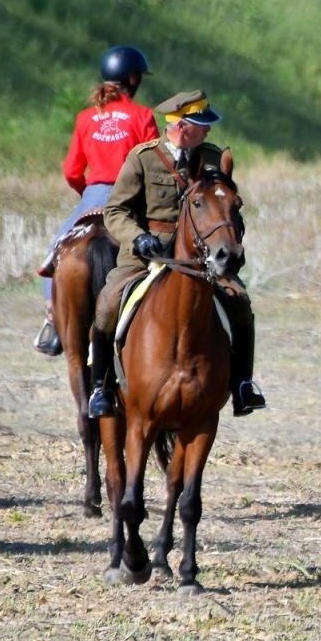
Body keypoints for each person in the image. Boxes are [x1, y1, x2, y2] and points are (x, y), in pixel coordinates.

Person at [86, 91, 267, 419]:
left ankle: (243, 384)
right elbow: (115, 211)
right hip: (146, 257)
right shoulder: (143, 158)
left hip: (200, 260)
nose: (208, 132)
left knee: (239, 301)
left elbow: (226, 207)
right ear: (182, 127)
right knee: (108, 302)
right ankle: (102, 387)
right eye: (201, 126)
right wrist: (138, 239)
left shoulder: (212, 159)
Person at [33, 46, 159, 355]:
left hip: (93, 195)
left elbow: (71, 170)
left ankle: (53, 321)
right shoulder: (142, 116)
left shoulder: (87, 117)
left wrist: (88, 196)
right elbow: (152, 166)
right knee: (158, 250)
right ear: (132, 79)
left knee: (56, 253)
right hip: (130, 198)